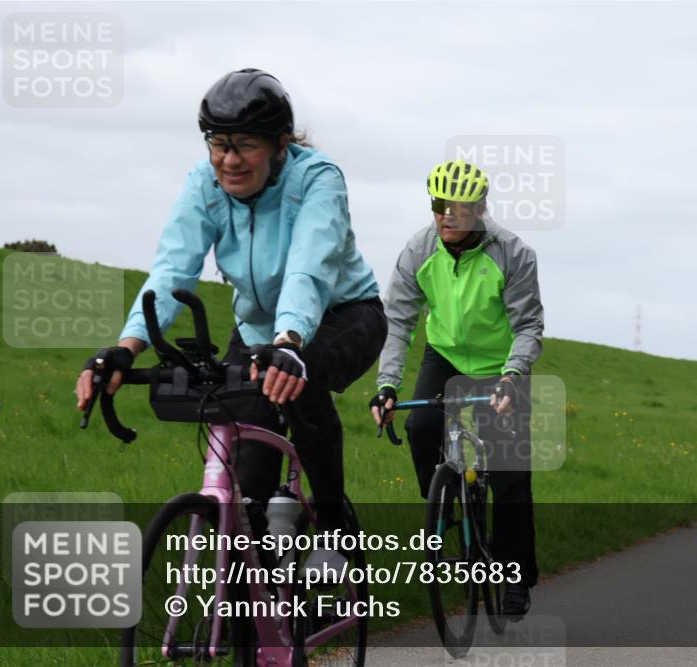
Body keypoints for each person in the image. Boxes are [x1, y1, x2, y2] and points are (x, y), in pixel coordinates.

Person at [75, 69, 387, 572]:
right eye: (217, 144)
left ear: (280, 144)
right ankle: (259, 580)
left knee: (297, 381)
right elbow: (173, 267)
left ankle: (334, 529)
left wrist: (289, 341)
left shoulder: (318, 179)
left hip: (344, 314)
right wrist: (126, 347)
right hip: (259, 330)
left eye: (244, 145)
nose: (228, 159)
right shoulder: (204, 184)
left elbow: (309, 267)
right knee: (246, 467)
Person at [370, 159, 544, 619]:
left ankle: (515, 579)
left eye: (459, 207)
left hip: (500, 365)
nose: (446, 214)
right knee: (422, 424)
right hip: (444, 355)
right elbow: (399, 323)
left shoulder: (513, 253)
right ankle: (446, 508)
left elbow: (529, 326)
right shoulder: (418, 250)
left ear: (481, 209)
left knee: (508, 475)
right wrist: (386, 384)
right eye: (438, 205)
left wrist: (512, 376)